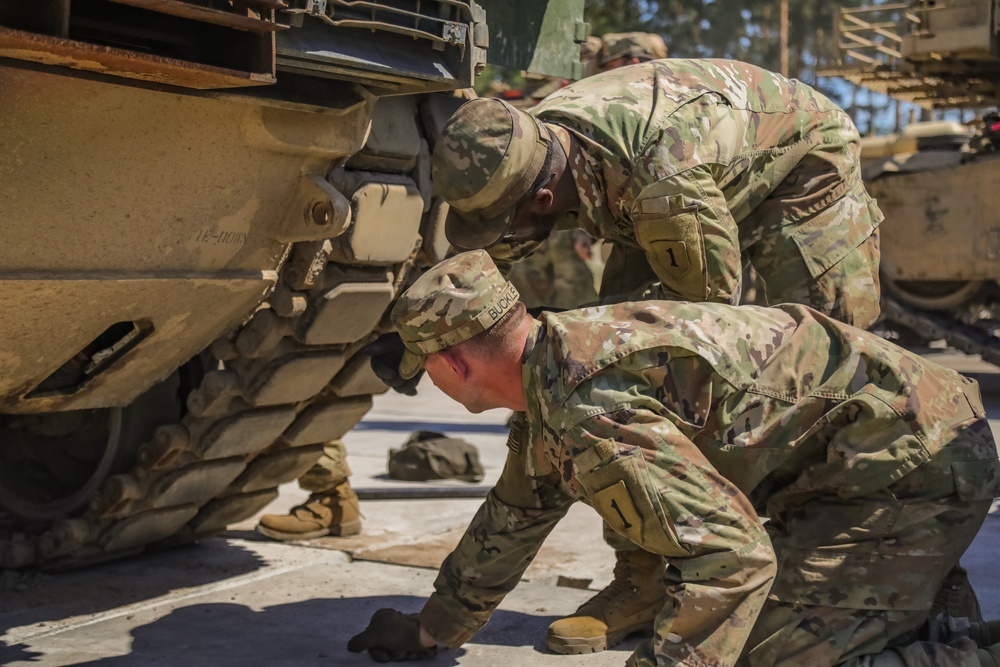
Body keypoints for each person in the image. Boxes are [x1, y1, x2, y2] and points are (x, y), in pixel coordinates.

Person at [347, 250, 1000, 667]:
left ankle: (937, 623)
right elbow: (516, 512)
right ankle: (904, 598)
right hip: (861, 464)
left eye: (422, 367)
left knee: (765, 658)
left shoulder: (588, 406)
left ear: (453, 362)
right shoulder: (554, 368)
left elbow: (732, 560)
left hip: (914, 462)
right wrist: (434, 628)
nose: (426, 379)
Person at [430, 57, 888, 651]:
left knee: (827, 369)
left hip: (801, 166)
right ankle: (642, 581)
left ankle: (826, 567)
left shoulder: (663, 185)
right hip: (666, 180)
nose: (503, 242)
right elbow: (490, 270)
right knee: (604, 369)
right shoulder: (522, 144)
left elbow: (709, 341)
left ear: (543, 198)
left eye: (503, 225)